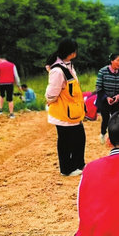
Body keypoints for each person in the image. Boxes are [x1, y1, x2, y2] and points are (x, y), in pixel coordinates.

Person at [45, 38, 86, 176]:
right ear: (70, 52)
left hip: (73, 111)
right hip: (63, 112)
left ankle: (78, 164)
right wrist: (50, 100)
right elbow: (51, 93)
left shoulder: (68, 65)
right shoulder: (57, 70)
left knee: (79, 138)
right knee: (65, 142)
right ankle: (66, 169)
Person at [95, 54, 119, 144]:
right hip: (104, 100)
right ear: (112, 61)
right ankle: (103, 134)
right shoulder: (102, 71)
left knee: (116, 118)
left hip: (116, 100)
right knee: (105, 119)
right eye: (118, 60)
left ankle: (113, 137)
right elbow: (98, 87)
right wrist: (106, 97)